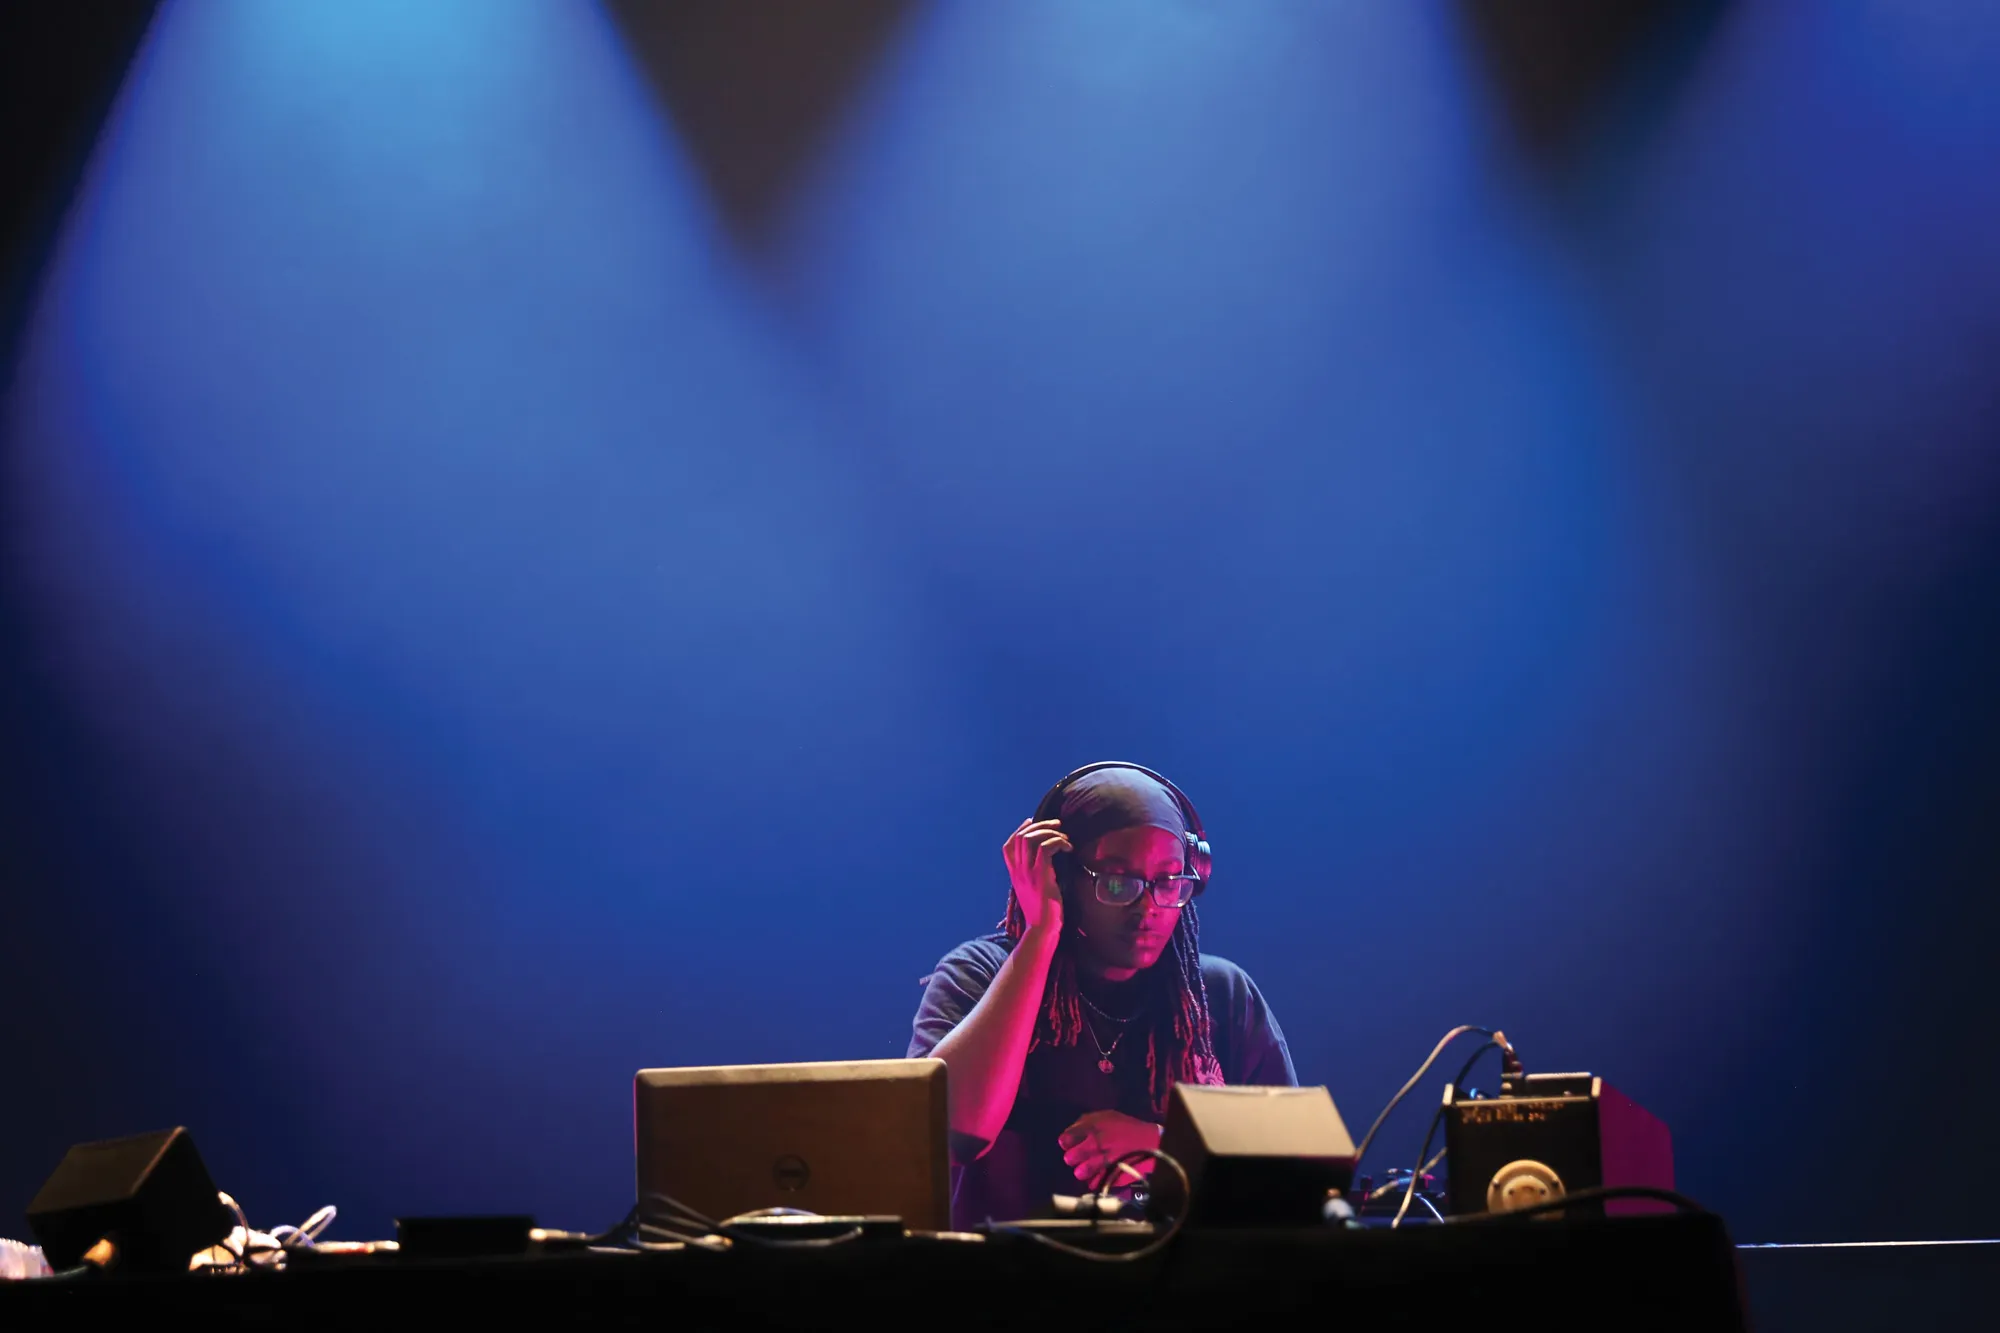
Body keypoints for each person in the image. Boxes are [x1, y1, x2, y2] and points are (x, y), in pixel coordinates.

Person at [908, 763, 1297, 1228]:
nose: (1148, 907)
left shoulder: (1218, 994)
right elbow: (950, 1135)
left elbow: (1296, 1155)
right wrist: (1040, 933)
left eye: (1169, 882)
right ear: (1062, 875)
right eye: (1117, 882)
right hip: (1009, 1284)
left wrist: (1166, 1143)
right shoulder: (980, 975)